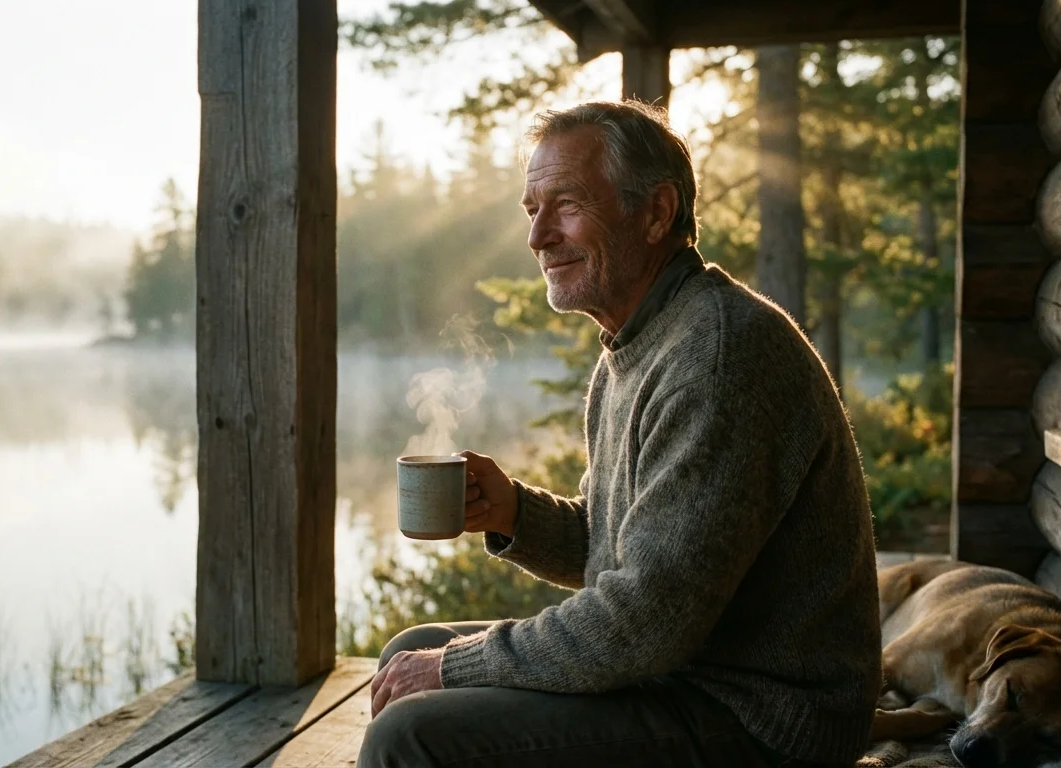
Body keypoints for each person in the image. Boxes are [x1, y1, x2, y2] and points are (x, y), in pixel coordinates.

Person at [358, 100, 882, 768]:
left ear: (657, 212)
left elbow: (645, 621)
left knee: (410, 736)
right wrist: (514, 512)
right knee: (411, 650)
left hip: (762, 719)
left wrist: (455, 670)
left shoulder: (718, 356)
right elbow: (630, 550)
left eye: (567, 203)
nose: (538, 237)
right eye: (531, 210)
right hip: (684, 674)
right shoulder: (638, 343)